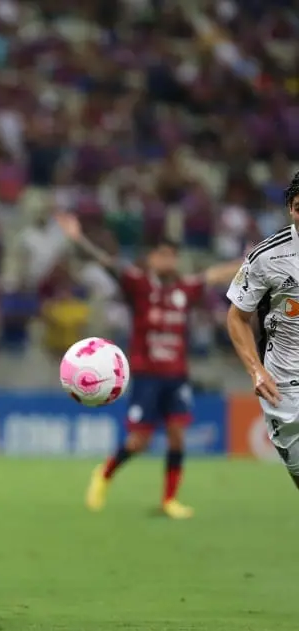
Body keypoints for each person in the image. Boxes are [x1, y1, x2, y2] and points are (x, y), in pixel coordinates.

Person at [56, 212, 241, 518]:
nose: (168, 260)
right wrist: (78, 238)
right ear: (152, 258)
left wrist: (254, 259)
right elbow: (107, 262)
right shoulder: (139, 284)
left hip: (176, 375)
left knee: (177, 435)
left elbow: (216, 275)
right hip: (146, 375)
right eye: (162, 255)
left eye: (172, 255)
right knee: (139, 441)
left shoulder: (185, 288)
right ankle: (104, 473)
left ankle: (169, 500)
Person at [225, 171, 299, 491]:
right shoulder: (267, 256)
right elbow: (237, 318)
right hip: (285, 386)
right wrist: (256, 370)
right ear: (291, 209)